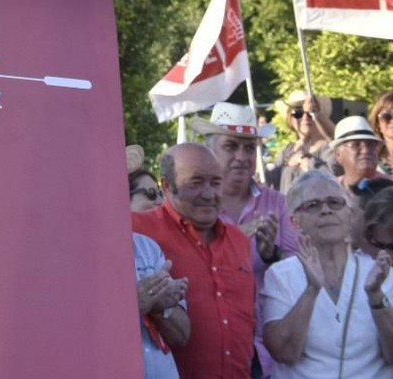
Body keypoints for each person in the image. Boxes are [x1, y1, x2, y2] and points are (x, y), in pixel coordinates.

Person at [133, 143, 257, 379]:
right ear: (167, 185)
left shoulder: (240, 240)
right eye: (195, 182)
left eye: (215, 182)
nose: (209, 194)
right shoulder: (138, 232)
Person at [261, 171, 393, 376]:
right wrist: (311, 291)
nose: (326, 210)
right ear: (295, 222)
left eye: (334, 202)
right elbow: (284, 353)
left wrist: (376, 297)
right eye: (313, 205)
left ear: (349, 214)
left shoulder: (379, 270)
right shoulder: (281, 275)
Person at [194, 103, 299, 277]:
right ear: (210, 151)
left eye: (250, 148)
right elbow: (189, 267)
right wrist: (231, 241)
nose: (242, 157)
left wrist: (272, 255)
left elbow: (297, 267)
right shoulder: (194, 204)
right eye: (231, 146)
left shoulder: (278, 203)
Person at [129, 146, 189, 379]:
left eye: (160, 194)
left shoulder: (148, 247)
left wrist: (160, 308)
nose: (160, 202)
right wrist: (134, 305)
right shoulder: (73, 255)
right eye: (150, 194)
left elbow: (182, 335)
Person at [274, 92, 337, 193]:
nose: (305, 117)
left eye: (310, 113)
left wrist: (306, 161)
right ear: (290, 119)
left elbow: (335, 174)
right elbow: (270, 183)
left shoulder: (329, 148)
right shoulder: (287, 151)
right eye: (298, 113)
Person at [334, 116, 388, 192]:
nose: (365, 150)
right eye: (356, 145)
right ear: (338, 154)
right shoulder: (328, 190)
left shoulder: (390, 186)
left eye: (371, 144)